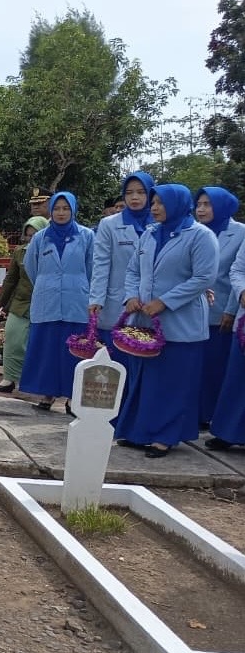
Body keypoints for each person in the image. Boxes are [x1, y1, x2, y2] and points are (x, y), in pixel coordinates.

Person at [114, 184, 217, 457]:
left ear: (177, 204)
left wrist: (165, 301)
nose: (154, 207)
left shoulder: (200, 236)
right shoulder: (149, 234)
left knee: (172, 383)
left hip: (181, 325)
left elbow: (203, 278)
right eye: (154, 202)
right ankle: (138, 432)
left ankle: (164, 436)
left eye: (160, 203)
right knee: (144, 380)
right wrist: (131, 296)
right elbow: (133, 270)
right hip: (144, 321)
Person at [19, 192, 94, 413]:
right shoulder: (41, 237)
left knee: (74, 350)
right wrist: (47, 284)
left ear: (73, 210)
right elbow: (31, 266)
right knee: (47, 350)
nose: (61, 213)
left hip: (76, 300)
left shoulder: (87, 235)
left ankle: (73, 397)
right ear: (51, 211)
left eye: (66, 209)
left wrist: (83, 288)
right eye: (57, 208)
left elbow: (92, 267)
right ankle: (47, 393)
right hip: (47, 299)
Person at [90, 172, 155, 358]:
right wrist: (96, 298)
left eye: (141, 192)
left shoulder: (161, 223)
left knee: (146, 351)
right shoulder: (109, 224)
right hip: (116, 298)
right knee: (116, 355)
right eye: (129, 193)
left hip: (152, 301)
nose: (134, 197)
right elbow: (101, 263)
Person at [194, 187, 244, 431]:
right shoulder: (194, 231)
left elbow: (237, 271)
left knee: (218, 366)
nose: (201, 209)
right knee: (198, 367)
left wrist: (232, 309)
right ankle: (198, 412)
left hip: (224, 310)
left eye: (207, 204)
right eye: (199, 204)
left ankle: (214, 415)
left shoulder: (239, 232)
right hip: (195, 309)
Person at [0, 216, 49, 392]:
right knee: (13, 339)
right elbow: (10, 279)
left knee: (38, 345)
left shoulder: (52, 252)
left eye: (35, 235)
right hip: (21, 303)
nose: (31, 239)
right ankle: (9, 379)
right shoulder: (20, 252)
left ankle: (33, 381)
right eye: (28, 235)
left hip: (45, 305)